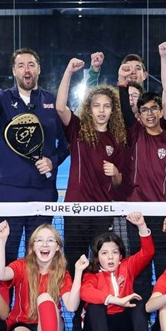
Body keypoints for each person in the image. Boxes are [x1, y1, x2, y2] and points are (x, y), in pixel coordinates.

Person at [0, 48, 69, 262]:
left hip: (44, 192)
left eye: (31, 65)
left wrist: (52, 161)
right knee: (7, 255)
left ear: (39, 69)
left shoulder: (52, 101)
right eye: (21, 65)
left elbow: (67, 144)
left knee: (40, 258)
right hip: (10, 192)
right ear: (13, 71)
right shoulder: (2, 99)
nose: (26, 70)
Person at [55, 58, 131, 270]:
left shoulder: (117, 139)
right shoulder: (78, 130)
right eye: (96, 106)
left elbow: (119, 183)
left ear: (112, 110)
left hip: (102, 210)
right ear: (89, 108)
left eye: (106, 106)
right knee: (74, 264)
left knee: (101, 265)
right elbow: (60, 107)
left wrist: (115, 172)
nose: (101, 110)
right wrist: (69, 71)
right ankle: (74, 304)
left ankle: (99, 302)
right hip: (76, 209)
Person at [0, 221, 81, 331]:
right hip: (22, 325)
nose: (45, 244)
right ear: (32, 247)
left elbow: (71, 306)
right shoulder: (21, 266)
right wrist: (2, 240)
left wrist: (78, 273)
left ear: (57, 247)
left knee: (44, 297)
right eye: (39, 240)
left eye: (50, 240)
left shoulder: (62, 273)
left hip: (51, 329)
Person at [121, 89, 166, 300]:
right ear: (139, 115)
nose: (149, 114)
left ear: (161, 111)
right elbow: (124, 110)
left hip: (162, 213)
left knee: (165, 264)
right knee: (140, 264)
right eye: (144, 110)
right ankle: (142, 314)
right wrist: (122, 84)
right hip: (136, 212)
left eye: (154, 108)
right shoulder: (135, 134)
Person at [80, 212, 155, 331]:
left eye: (114, 252)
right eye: (104, 253)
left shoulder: (128, 266)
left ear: (121, 255)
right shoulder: (91, 275)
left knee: (137, 301)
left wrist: (142, 225)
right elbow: (85, 292)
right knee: (94, 306)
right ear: (97, 256)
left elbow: (147, 252)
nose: (110, 257)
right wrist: (115, 300)